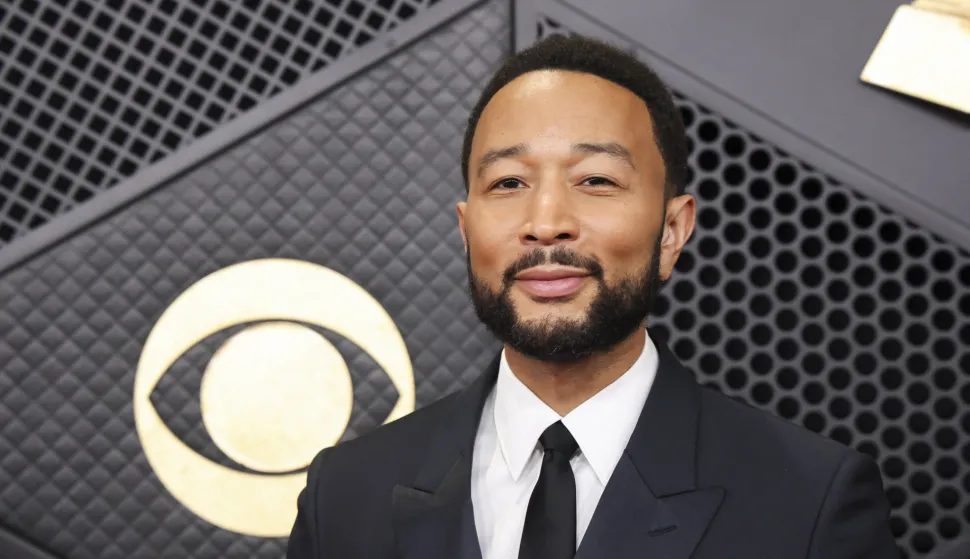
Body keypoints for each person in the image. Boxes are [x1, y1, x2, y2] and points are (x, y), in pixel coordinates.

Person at [286, 33, 899, 559]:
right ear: (466, 230)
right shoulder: (346, 496)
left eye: (596, 180)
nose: (546, 222)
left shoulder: (809, 502)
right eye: (509, 182)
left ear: (672, 230)